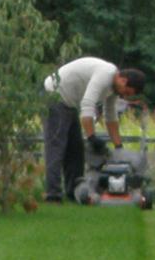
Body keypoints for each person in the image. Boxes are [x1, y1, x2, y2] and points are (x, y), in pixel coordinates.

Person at [43, 57, 145, 203]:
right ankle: (53, 195)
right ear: (123, 80)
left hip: (69, 104)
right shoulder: (105, 74)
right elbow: (87, 104)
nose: (125, 96)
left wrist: (118, 147)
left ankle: (75, 193)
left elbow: (111, 116)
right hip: (55, 96)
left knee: (76, 150)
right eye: (127, 92)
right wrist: (91, 137)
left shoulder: (113, 88)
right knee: (56, 149)